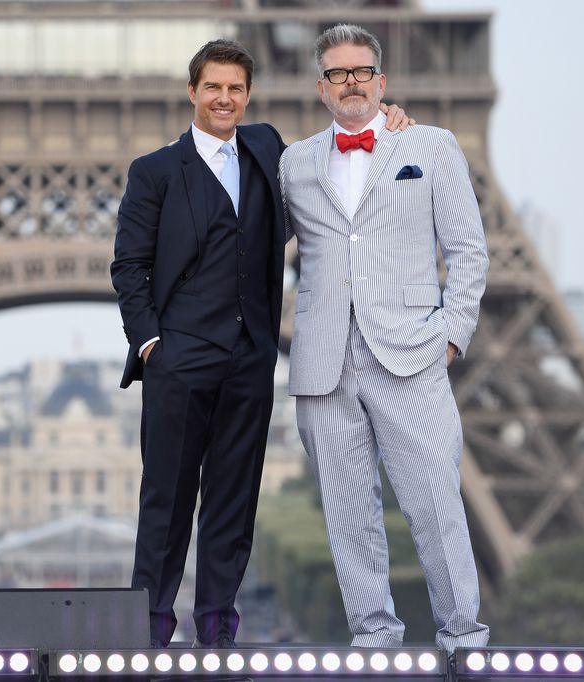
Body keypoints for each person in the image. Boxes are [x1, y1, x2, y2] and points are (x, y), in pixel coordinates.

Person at [111, 38, 411, 648]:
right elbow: (129, 266)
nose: (225, 99)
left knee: (234, 499)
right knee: (166, 501)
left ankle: (217, 625)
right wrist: (149, 345)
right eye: (213, 87)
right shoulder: (156, 172)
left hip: (250, 359)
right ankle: (149, 627)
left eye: (236, 89)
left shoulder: (269, 149)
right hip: (179, 358)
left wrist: (388, 121)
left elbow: (336, 152)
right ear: (192, 91)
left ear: (248, 96)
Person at [279, 24, 491, 653]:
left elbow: (469, 250)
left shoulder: (431, 145)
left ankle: (464, 640)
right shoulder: (293, 161)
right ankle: (374, 643)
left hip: (410, 352)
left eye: (361, 72)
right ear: (321, 86)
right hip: (324, 360)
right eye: (338, 73)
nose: (351, 83)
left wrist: (451, 336)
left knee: (434, 505)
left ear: (381, 80)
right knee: (349, 520)